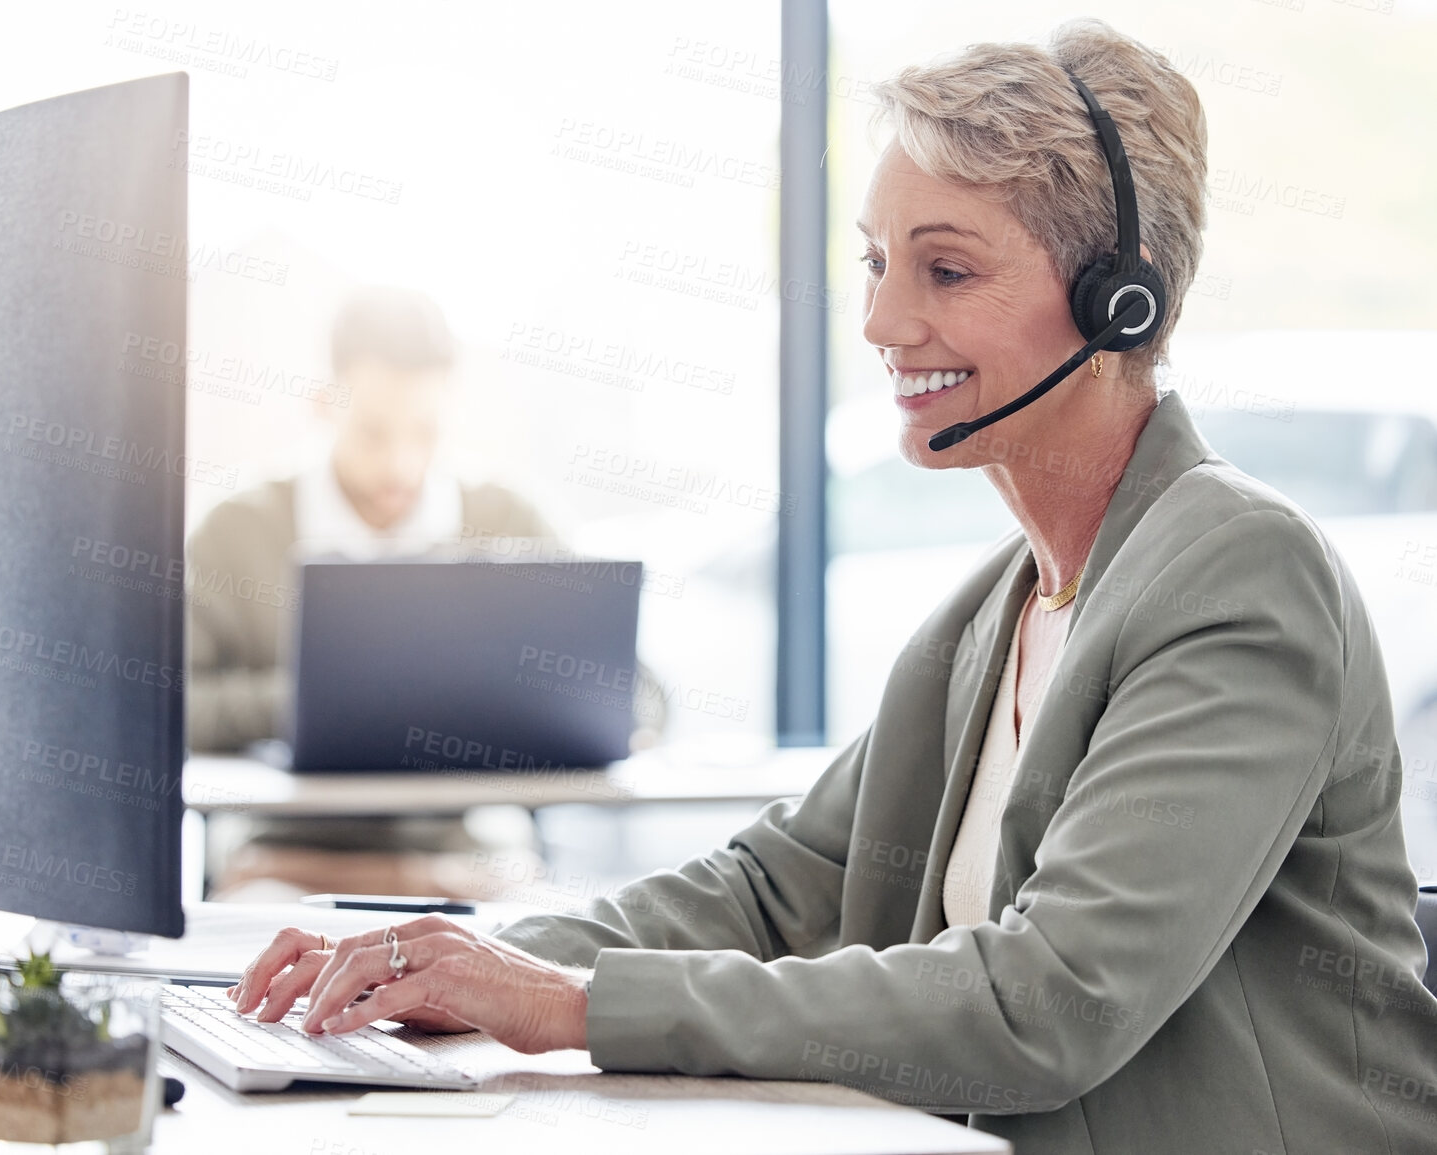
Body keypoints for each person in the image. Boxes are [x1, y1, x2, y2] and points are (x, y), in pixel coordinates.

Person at [225, 21, 1437, 1153]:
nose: (880, 321)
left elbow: (1048, 1003)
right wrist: (448, 964)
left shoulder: (1238, 577)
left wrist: (576, 1006)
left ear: (1120, 300)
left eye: (946, 271)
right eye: (874, 264)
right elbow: (768, 889)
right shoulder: (997, 612)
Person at [187, 286, 559, 898]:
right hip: (284, 849)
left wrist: (493, 701)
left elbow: (636, 695)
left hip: (467, 849)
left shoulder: (509, 522)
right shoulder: (236, 531)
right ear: (323, 404)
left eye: (425, 432)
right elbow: (166, 705)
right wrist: (318, 702)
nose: (401, 467)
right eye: (373, 433)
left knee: (530, 926)